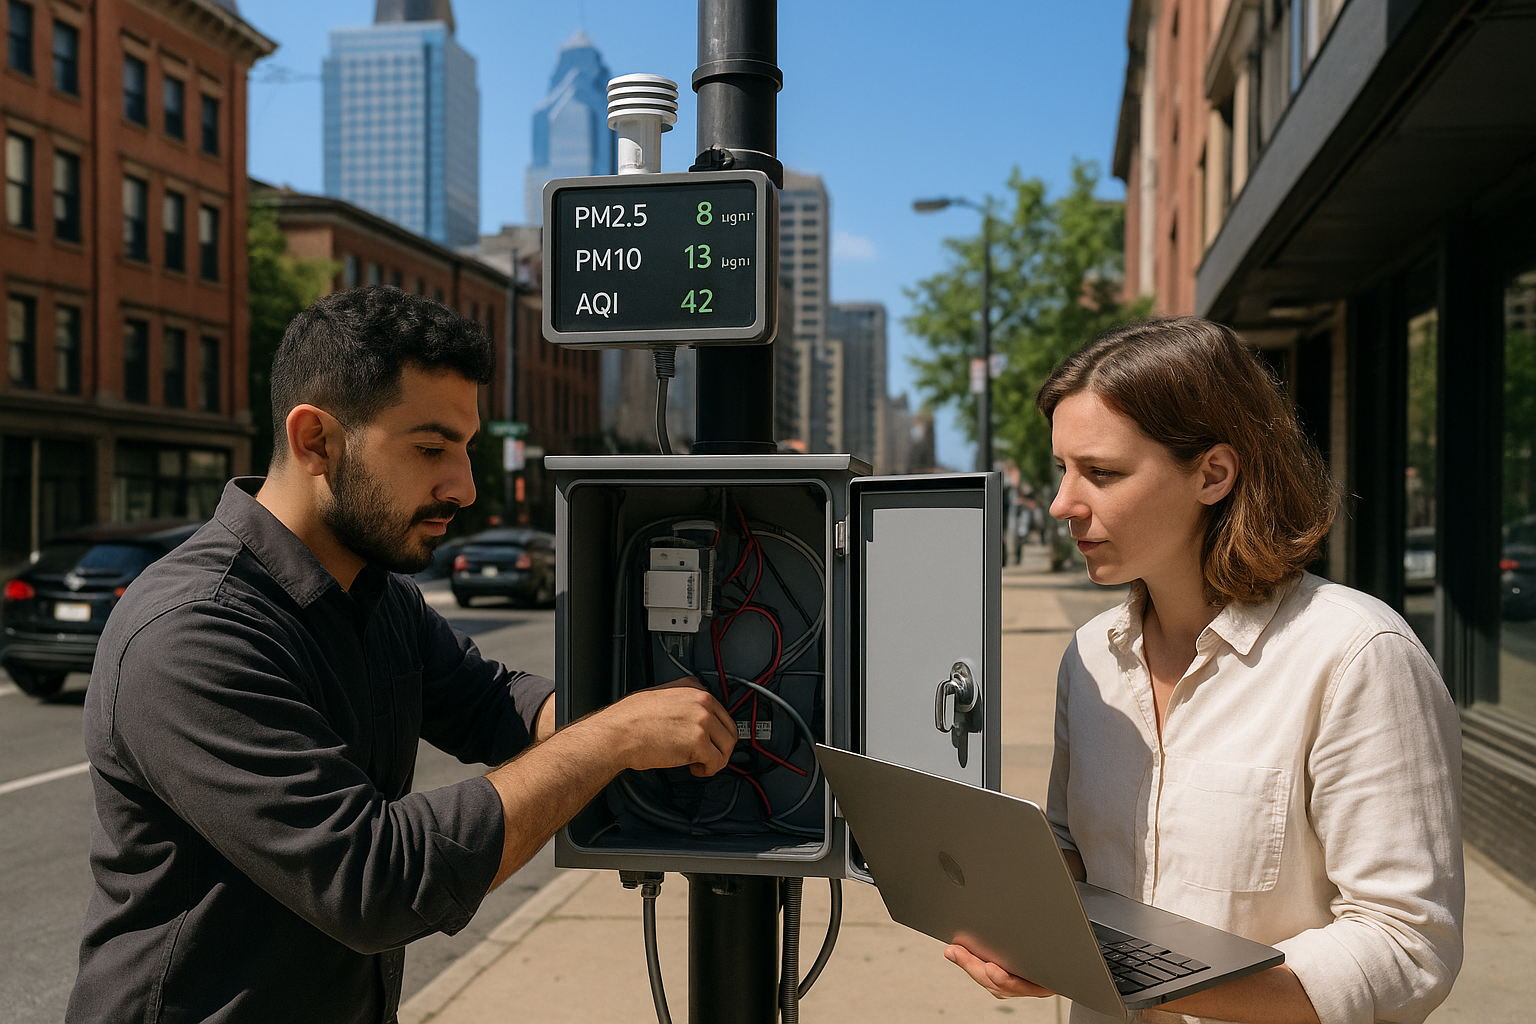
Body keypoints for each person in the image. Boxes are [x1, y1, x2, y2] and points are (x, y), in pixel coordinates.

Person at [67, 288, 738, 1024]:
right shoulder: (193, 631)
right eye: (429, 449)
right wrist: (613, 738)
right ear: (316, 441)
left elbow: (489, 701)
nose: (464, 487)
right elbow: (373, 882)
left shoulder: (376, 593)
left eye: (466, 449)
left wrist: (657, 727)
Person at [944, 318, 1463, 1024]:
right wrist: (1020, 921)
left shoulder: (1355, 654)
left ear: (1213, 474)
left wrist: (1130, 973)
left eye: (1102, 473)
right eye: (1063, 468)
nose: (1064, 503)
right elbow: (1076, 851)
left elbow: (1407, 947)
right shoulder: (1091, 656)